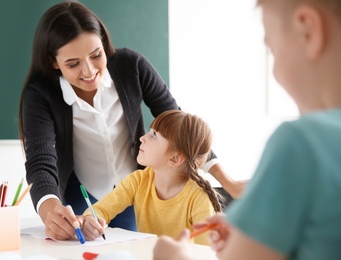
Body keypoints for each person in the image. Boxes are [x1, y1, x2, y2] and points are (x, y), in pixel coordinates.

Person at [18, 0, 243, 241]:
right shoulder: (40, 95)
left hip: (135, 190)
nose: (89, 71)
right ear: (54, 62)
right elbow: (41, 162)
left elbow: (182, 129)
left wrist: (227, 181)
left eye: (96, 55)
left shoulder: (131, 66)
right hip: (80, 194)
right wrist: (49, 210)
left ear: (104, 44)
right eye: (73, 64)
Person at [153, 0, 341, 259]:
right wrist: (257, 235)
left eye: (272, 50)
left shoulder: (301, 142)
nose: (275, 71)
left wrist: (176, 257)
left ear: (308, 30)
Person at [81, 110, 222, 245]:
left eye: (154, 135)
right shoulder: (138, 181)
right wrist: (92, 219)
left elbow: (207, 253)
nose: (142, 138)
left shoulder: (198, 198)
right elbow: (102, 209)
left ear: (174, 159)